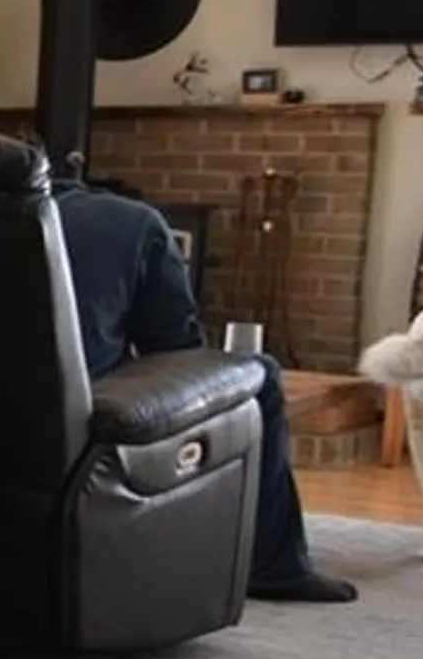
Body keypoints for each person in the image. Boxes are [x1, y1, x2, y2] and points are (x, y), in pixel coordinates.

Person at [53, 182, 356, 604]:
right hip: (80, 418)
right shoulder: (126, 220)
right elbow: (174, 347)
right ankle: (275, 567)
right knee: (261, 374)